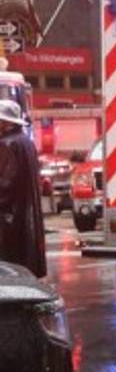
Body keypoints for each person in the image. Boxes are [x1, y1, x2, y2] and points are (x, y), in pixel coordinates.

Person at [0, 99, 46, 278]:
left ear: (5, 122)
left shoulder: (7, 144)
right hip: (23, 220)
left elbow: (5, 185)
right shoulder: (25, 142)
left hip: (9, 223)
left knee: (10, 273)